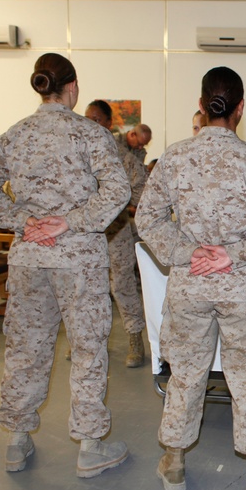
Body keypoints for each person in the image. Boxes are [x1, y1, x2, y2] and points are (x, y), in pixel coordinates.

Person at [137, 66, 246, 490]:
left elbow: (146, 220)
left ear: (203, 104)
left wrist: (189, 253)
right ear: (240, 108)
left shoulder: (172, 157)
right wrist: (235, 253)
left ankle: (173, 463)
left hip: (191, 284)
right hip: (242, 287)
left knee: (185, 373)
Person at [0, 53, 131, 477]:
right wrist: (70, 221)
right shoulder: (90, 135)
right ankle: (90, 444)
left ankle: (17, 441)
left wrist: (24, 221)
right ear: (73, 87)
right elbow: (117, 191)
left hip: (29, 258)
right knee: (88, 348)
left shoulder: (15, 135)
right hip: (78, 258)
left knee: (26, 347)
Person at [83, 100, 150, 368]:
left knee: (122, 284)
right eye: (88, 118)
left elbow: (142, 185)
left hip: (115, 229)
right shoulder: (76, 154)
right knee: (86, 286)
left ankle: (135, 338)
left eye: (97, 119)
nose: (91, 123)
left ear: (109, 124)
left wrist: (120, 204)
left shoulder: (118, 154)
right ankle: (88, 341)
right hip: (84, 232)